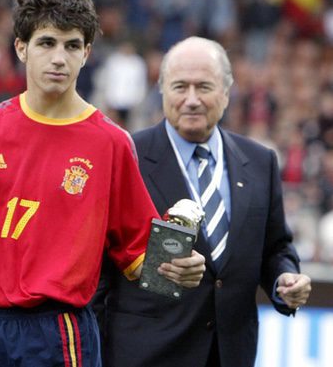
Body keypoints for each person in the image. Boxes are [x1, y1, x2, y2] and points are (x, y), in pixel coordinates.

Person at [0, 0, 205, 366]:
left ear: (87, 54)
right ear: (21, 48)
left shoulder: (110, 143)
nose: (59, 58)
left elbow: (141, 253)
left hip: (58, 332)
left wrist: (182, 267)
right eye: (46, 43)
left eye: (72, 45)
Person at [94, 36, 312, 367]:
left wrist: (285, 280)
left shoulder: (261, 162)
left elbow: (275, 248)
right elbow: (99, 266)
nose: (192, 100)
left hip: (230, 355)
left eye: (204, 87)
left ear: (226, 92)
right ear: (162, 90)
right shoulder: (127, 157)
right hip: (144, 355)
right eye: (180, 86)